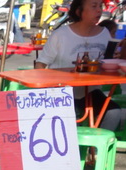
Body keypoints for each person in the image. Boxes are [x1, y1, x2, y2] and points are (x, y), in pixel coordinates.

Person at [35, 0, 126, 132]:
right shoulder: (60, 35)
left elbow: (107, 62)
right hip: (61, 92)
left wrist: (115, 58)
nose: (99, 10)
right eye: (94, 6)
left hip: (91, 92)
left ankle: (95, 149)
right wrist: (45, 92)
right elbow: (41, 64)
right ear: (79, 11)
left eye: (100, 6)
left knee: (114, 113)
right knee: (68, 122)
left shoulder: (104, 33)